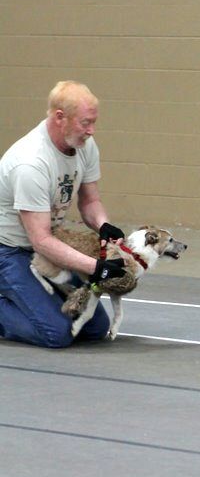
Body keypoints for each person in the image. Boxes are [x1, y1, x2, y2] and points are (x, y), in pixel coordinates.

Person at [0, 81, 128, 348]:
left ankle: (30, 300)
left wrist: (104, 227)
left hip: (45, 248)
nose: (92, 131)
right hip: (11, 252)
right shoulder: (30, 163)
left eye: (94, 122)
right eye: (86, 123)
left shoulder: (83, 146)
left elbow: (90, 201)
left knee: (94, 328)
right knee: (56, 334)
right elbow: (41, 240)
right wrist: (96, 268)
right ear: (60, 118)